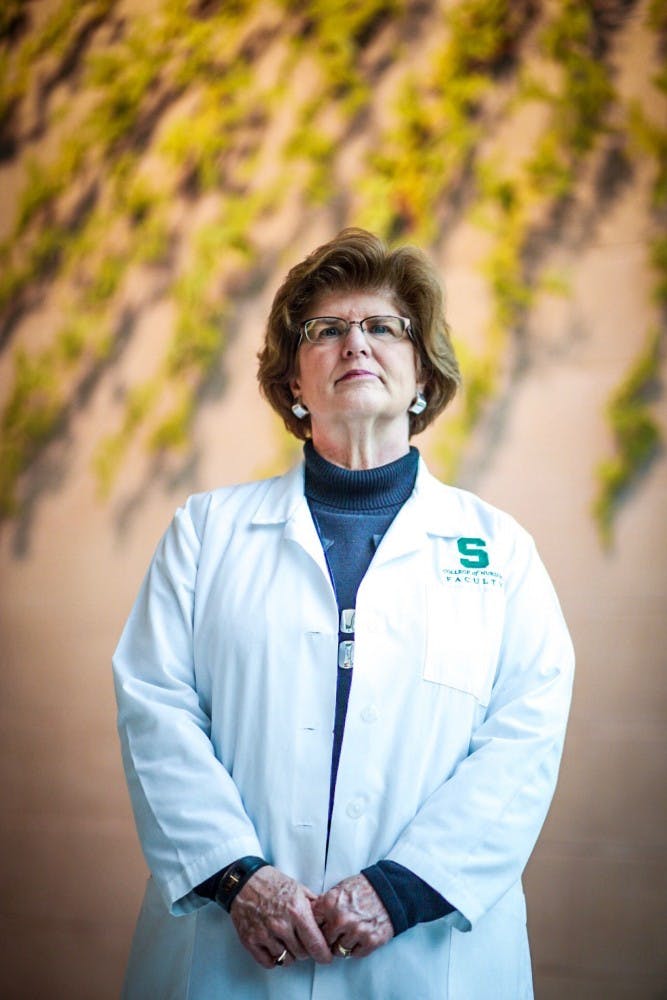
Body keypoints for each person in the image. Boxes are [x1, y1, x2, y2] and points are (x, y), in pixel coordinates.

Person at [113, 228, 574, 999]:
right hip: (234, 954)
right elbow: (154, 709)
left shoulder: (498, 551)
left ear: (421, 374)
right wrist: (239, 878)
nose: (353, 343)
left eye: (381, 327)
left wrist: (401, 889)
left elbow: (525, 737)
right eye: (325, 330)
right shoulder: (205, 532)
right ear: (294, 382)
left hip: (424, 961)